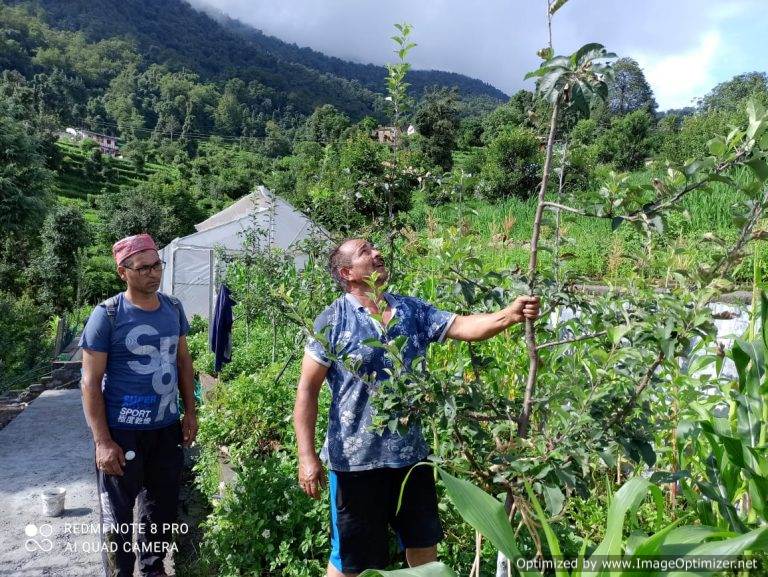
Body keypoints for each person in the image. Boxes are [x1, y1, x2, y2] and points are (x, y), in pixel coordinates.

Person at [294, 238, 540, 576]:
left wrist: (508, 315)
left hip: (412, 458)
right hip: (356, 464)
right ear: (347, 272)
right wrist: (306, 456)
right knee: (352, 562)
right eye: (366, 251)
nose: (377, 253)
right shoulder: (333, 319)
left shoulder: (411, 310)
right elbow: (307, 390)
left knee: (424, 550)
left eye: (375, 248)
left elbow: (463, 326)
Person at [79, 233, 198, 577]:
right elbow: (89, 381)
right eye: (143, 267)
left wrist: (189, 412)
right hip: (121, 433)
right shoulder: (108, 315)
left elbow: (183, 362)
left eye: (157, 265)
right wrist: (102, 441)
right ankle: (120, 572)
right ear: (123, 271)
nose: (153, 273)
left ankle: (153, 569)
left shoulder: (173, 308)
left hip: (165, 428)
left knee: (160, 510)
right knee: (117, 515)